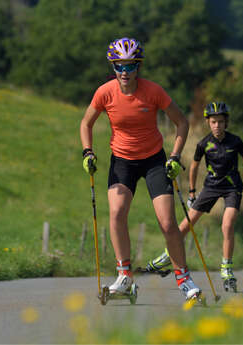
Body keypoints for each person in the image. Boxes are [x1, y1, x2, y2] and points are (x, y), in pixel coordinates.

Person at [80, 37, 202, 300]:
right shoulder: (105, 92)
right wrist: (88, 151)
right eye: (119, 66)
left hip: (154, 160)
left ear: (138, 67)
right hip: (122, 162)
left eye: (130, 66)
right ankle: (125, 277)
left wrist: (175, 156)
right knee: (117, 213)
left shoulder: (153, 91)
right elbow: (85, 124)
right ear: (113, 66)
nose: (125, 72)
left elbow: (181, 123)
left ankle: (184, 279)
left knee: (168, 223)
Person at [145, 101, 243, 292]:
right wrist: (193, 192)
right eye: (213, 122)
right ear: (208, 123)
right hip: (211, 187)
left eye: (221, 122)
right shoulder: (204, 143)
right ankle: (167, 256)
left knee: (227, 225)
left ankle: (226, 268)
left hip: (232, 188)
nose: (217, 126)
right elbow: (194, 167)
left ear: (226, 122)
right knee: (186, 224)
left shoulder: (235, 141)